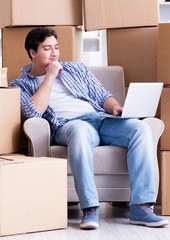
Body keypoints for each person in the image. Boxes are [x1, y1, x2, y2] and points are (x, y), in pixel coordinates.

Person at [9, 27, 169, 230]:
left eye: (56, 47)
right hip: (68, 124)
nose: (54, 53)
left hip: (100, 118)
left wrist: (116, 108)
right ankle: (90, 208)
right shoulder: (20, 83)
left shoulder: (76, 69)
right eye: (47, 49)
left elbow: (103, 96)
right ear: (33, 52)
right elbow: (34, 113)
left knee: (141, 129)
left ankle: (141, 207)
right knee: (80, 132)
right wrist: (50, 76)